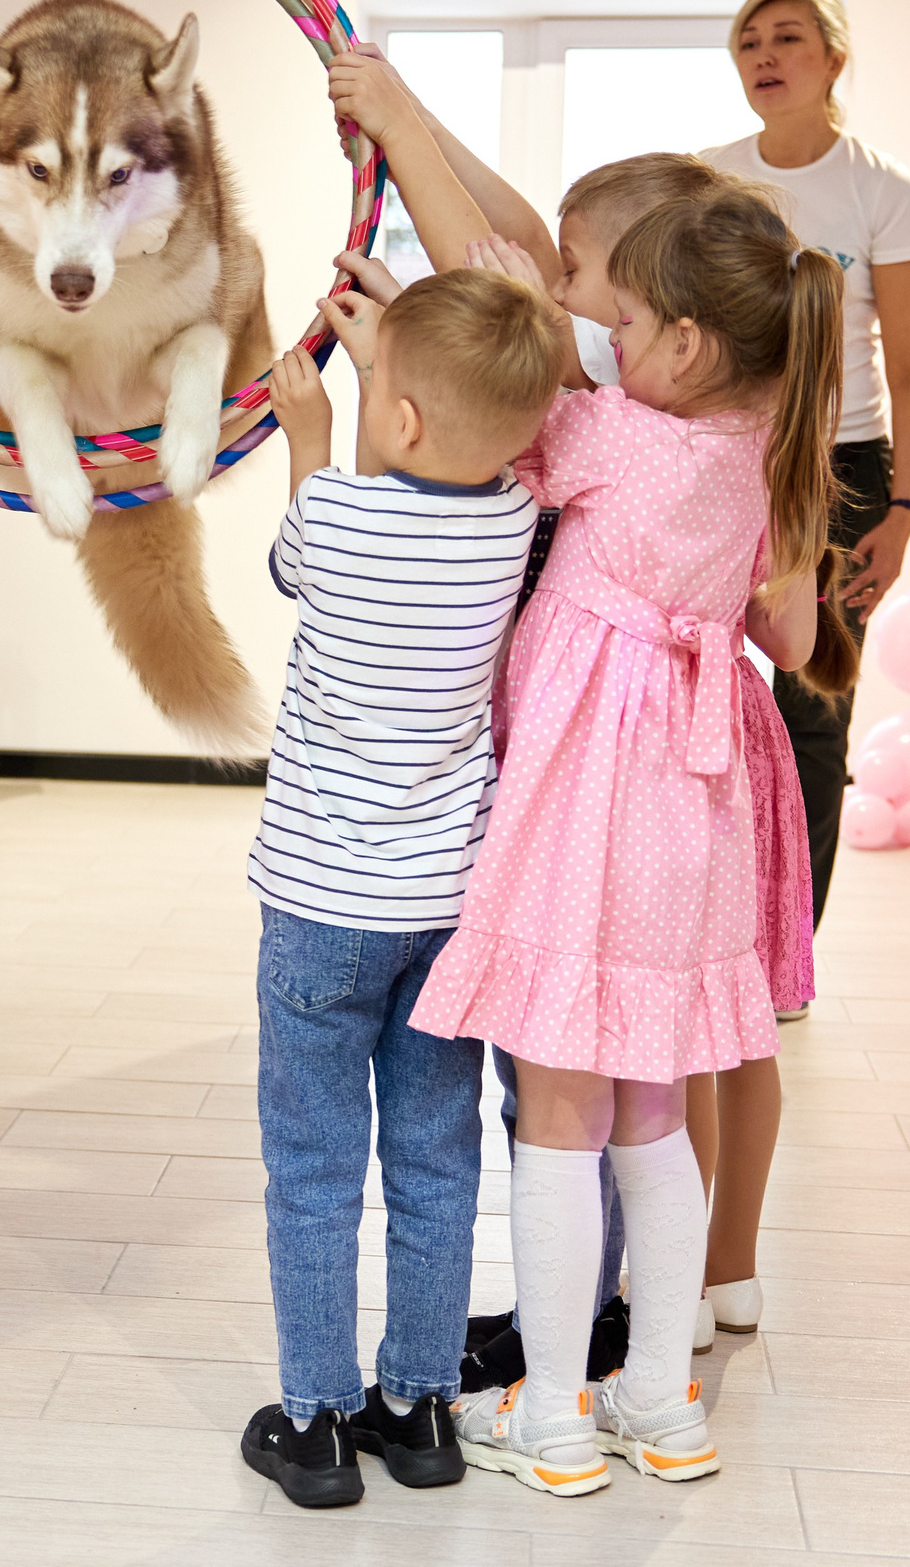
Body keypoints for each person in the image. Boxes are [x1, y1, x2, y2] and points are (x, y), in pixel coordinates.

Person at [411, 186, 847, 1498]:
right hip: (693, 809)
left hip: (586, 795)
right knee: (651, 1116)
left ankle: (549, 1412)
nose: (612, 333)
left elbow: (498, 413)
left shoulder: (620, 438)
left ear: (690, 348)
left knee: (557, 1110)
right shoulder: (771, 441)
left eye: (633, 317)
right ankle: (660, 1398)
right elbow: (791, 634)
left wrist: (487, 310)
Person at [240, 266, 564, 1510]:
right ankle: (420, 1408)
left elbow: (298, 560)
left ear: (401, 420)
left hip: (318, 906)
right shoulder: (513, 527)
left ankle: (315, 1423)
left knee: (314, 1167)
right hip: (447, 912)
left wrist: (311, 432)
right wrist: (399, 375)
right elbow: (449, 451)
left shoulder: (330, 513)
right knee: (436, 1159)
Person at [704, 0, 910, 947]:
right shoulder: (707, 179)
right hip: (721, 458)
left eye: (787, 38)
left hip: (842, 473)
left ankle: (783, 949)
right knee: (698, 693)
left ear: (832, 59)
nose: (764, 56)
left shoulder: (881, 190)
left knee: (811, 712)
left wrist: (903, 510)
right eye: (748, 41)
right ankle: (702, 926)